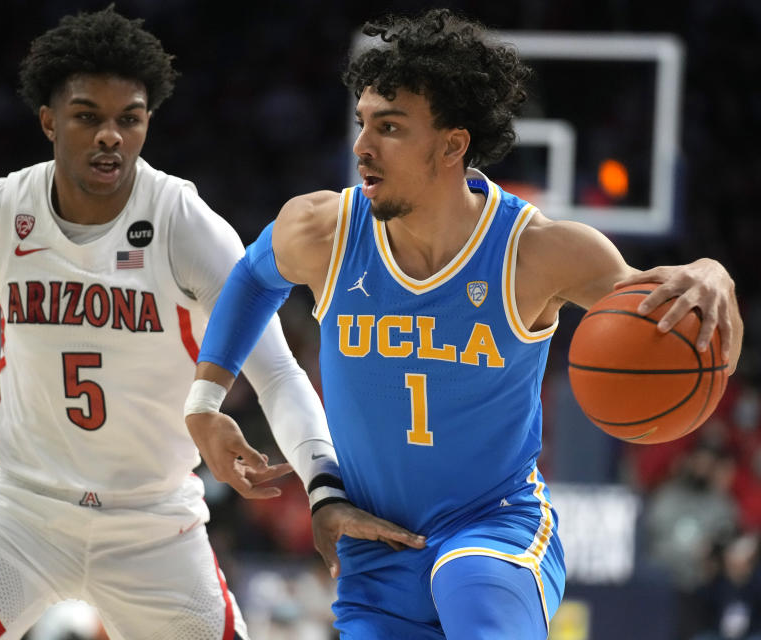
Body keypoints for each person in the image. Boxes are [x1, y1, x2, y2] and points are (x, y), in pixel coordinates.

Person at [0, 7, 422, 640]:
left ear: (148, 122)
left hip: (152, 529)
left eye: (129, 119)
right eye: (87, 117)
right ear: (49, 121)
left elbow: (279, 373)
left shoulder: (185, 223)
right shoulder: (0, 209)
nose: (110, 137)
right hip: (23, 514)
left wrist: (324, 487)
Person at [184, 8, 744, 640]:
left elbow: (690, 338)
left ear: (452, 144)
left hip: (494, 528)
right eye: (363, 121)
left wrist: (714, 276)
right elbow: (255, 276)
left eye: (390, 127)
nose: (363, 145)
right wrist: (205, 400)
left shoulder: (537, 252)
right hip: (373, 541)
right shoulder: (322, 231)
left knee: (471, 588)